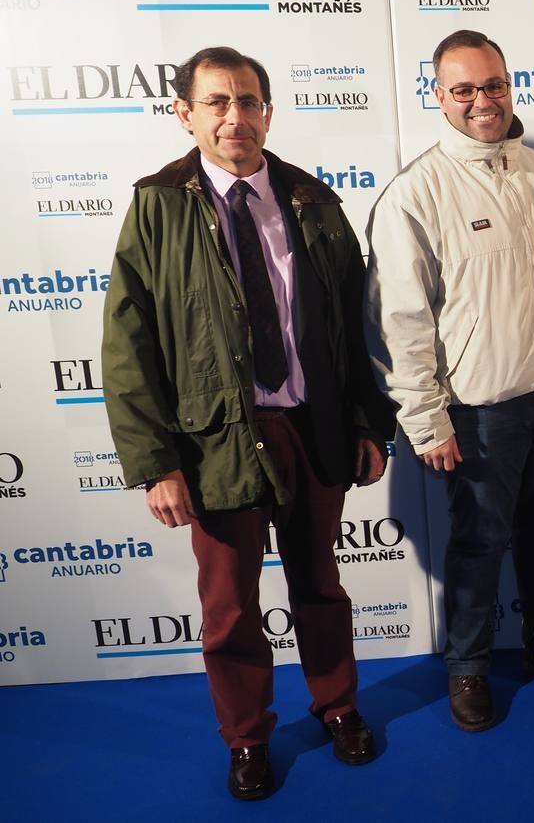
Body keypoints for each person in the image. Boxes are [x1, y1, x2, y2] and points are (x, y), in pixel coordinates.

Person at [101, 46, 393, 800]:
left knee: (320, 587)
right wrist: (155, 462)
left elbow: (350, 330)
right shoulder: (157, 207)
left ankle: (339, 708)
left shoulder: (314, 201)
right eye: (218, 103)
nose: (236, 117)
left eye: (249, 100)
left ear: (268, 109)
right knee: (229, 607)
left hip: (312, 427)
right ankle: (247, 738)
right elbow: (129, 343)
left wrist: (368, 423)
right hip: (215, 441)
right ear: (186, 115)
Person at [365, 29, 534, 733]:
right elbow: (400, 320)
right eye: (463, 89)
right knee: (478, 542)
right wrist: (427, 419)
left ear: (510, 85)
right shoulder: (418, 192)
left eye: (492, 84)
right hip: (478, 409)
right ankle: (466, 666)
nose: (482, 100)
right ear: (439, 97)